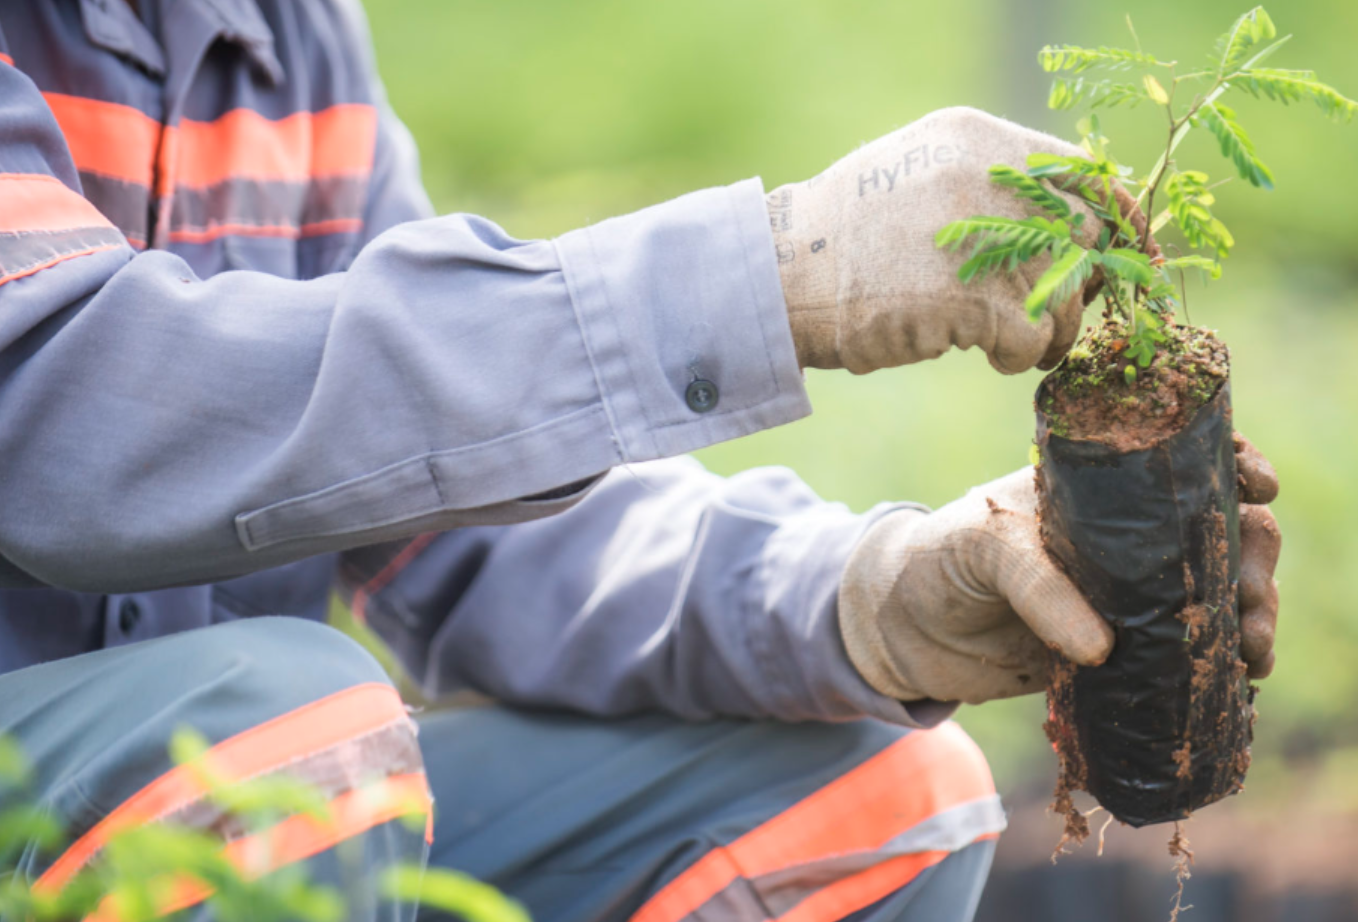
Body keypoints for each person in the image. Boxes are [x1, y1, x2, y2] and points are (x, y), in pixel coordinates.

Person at [0, 2, 1283, 921]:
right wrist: (771, 278)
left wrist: (868, 597)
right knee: (279, 735)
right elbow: (64, 409)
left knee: (885, 797)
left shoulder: (285, 37)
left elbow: (440, 509)